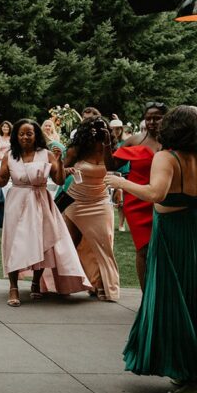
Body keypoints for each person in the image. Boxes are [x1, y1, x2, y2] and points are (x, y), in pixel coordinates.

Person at [106, 106, 197, 393]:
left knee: (177, 302)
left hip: (174, 232)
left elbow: (156, 193)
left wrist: (121, 182)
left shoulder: (166, 157)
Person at [0, 120, 91, 306]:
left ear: (36, 135)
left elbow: (60, 181)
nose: (25, 137)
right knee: (14, 243)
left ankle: (36, 282)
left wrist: (60, 162)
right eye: (21, 134)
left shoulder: (46, 154)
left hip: (40, 201)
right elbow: (2, 181)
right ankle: (13, 287)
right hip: (17, 202)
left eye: (29, 133)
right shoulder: (10, 156)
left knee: (42, 241)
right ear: (16, 136)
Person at [63, 117, 120, 301]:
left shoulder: (109, 149)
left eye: (102, 128)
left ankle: (103, 285)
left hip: (100, 200)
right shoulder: (77, 149)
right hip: (76, 200)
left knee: (104, 244)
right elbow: (59, 172)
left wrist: (107, 145)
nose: (97, 131)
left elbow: (112, 168)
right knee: (69, 243)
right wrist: (65, 170)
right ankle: (70, 284)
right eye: (94, 129)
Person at [113, 103, 166, 288]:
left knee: (164, 249)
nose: (152, 121)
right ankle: (145, 297)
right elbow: (112, 164)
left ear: (165, 118)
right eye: (149, 118)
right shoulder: (135, 141)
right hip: (137, 201)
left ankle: (161, 294)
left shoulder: (173, 141)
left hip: (164, 199)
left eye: (157, 117)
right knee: (143, 249)